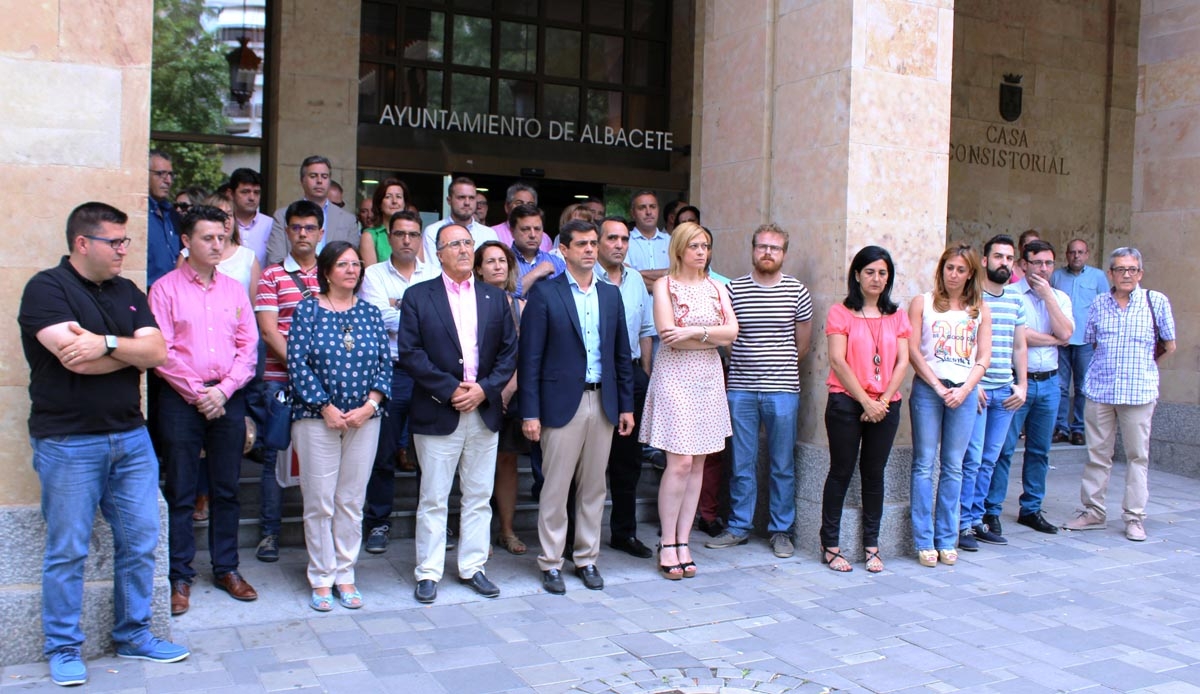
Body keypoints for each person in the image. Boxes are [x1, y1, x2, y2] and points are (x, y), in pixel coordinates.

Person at [19, 202, 188, 686]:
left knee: (140, 541)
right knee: (68, 549)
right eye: (114, 242)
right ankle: (63, 647)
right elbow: (76, 359)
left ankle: (134, 634)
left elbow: (157, 352)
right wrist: (126, 351)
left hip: (131, 437)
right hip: (68, 441)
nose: (122, 250)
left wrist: (107, 343)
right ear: (82, 243)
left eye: (124, 241)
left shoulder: (128, 291)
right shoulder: (46, 289)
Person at [399, 224, 518, 605]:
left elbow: (509, 353)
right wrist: (450, 389)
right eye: (455, 244)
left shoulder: (494, 298)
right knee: (434, 497)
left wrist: (485, 389)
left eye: (468, 243)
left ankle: (473, 567)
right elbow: (411, 353)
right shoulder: (418, 296)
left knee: (479, 495)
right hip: (438, 409)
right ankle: (428, 571)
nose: (465, 249)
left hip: (483, 409)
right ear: (439, 254)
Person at [149, 205, 259, 616]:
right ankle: (179, 576)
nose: (216, 245)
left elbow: (248, 348)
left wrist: (224, 391)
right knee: (180, 491)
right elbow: (161, 351)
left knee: (226, 489)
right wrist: (199, 393)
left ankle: (226, 568)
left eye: (222, 238)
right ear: (186, 241)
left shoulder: (234, 290)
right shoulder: (165, 289)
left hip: (228, 397)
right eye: (207, 238)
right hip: (181, 399)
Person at [520, 219, 635, 594]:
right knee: (555, 487)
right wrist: (530, 412)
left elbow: (621, 355)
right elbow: (530, 359)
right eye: (581, 244)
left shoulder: (610, 294)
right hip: (559, 404)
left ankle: (586, 558)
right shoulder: (545, 293)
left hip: (603, 401)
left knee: (594, 488)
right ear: (564, 250)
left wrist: (626, 406)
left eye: (593, 243)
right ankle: (551, 562)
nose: (589, 249)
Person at [287, 241, 390, 611]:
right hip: (317, 419)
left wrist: (370, 405)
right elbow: (297, 363)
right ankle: (321, 576)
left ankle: (345, 573)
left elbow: (385, 363)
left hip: (365, 419)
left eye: (356, 264)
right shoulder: (308, 309)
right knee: (319, 502)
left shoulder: (370, 313)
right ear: (327, 271)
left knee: (351, 500)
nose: (352, 270)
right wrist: (324, 406)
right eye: (343, 264)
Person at [706, 224, 813, 559]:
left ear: (784, 254)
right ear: (753, 249)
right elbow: (727, 339)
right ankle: (739, 526)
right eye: (762, 246)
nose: (768, 252)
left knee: (782, 464)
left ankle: (781, 531)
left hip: (783, 390)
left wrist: (775, 367)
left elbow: (803, 345)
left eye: (775, 248)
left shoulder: (797, 291)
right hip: (741, 389)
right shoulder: (733, 290)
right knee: (741, 462)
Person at [641, 222, 738, 579]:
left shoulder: (717, 287)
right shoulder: (664, 285)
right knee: (680, 462)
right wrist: (710, 335)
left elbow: (732, 333)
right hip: (675, 377)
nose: (701, 252)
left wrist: (696, 331)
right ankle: (667, 541)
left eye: (705, 246)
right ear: (679, 249)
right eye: (694, 246)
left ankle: (684, 541)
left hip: (708, 378)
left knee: (698, 463)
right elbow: (669, 336)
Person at [1064, 248, 1175, 541]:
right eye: (1120, 269)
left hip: (1139, 393)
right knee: (1097, 455)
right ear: (1110, 274)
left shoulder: (1156, 302)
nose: (1127, 274)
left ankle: (1134, 517)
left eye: (1132, 269)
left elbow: (1169, 345)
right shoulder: (1099, 303)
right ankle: (1093, 511)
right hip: (1101, 391)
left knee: (1137, 456)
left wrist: (1144, 367)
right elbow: (1092, 342)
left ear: (1140, 273)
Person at [818, 246, 910, 572]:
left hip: (886, 405)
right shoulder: (840, 313)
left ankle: (872, 545)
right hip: (846, 401)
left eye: (883, 273)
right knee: (840, 472)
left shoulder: (897, 316)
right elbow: (837, 360)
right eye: (869, 272)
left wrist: (882, 401)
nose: (876, 278)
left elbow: (903, 362)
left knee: (874, 475)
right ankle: (830, 544)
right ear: (857, 275)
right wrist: (866, 401)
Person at [359, 210, 437, 554]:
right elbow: (377, 318)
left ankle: (432, 523)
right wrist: (418, 314)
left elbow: (441, 320)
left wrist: (400, 307)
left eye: (413, 234)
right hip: (389, 371)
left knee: (430, 454)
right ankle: (378, 522)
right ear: (388, 237)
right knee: (383, 452)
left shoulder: (434, 273)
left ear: (420, 239)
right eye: (400, 234)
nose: (407, 240)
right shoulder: (373, 274)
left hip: (428, 374)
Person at [908, 243, 990, 568]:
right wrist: (938, 387)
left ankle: (946, 538)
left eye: (961, 269)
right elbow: (913, 351)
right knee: (924, 464)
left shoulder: (979, 309)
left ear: (970, 274)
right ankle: (923, 539)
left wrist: (966, 388)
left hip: (964, 393)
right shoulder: (923, 303)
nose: (953, 274)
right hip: (929, 391)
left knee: (954, 466)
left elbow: (984, 356)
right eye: (949, 268)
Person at [253, 200, 325, 562]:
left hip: (326, 386)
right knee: (275, 458)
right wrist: (303, 371)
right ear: (286, 231)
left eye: (309, 228)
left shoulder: (333, 273)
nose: (302, 234)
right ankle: (269, 534)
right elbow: (269, 331)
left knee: (323, 461)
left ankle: (322, 538)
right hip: (280, 381)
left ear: (321, 233)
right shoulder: (272, 276)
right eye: (296, 227)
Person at [987, 240, 1074, 535]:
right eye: (1037, 263)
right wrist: (1055, 339)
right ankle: (991, 510)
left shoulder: (1059, 297)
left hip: (1049, 383)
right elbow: (1020, 336)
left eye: (1049, 263)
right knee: (1003, 449)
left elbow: (1067, 332)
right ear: (1023, 265)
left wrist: (1047, 297)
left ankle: (1031, 509)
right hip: (1015, 382)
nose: (1044, 268)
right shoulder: (1009, 294)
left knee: (1040, 451)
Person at [959, 234, 1028, 551]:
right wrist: (971, 384)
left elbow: (1019, 345)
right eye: (998, 257)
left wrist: (1022, 385)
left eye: (1009, 258)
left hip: (1005, 392)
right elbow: (964, 345)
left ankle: (977, 520)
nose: (1004, 263)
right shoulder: (972, 298)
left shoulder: (1016, 299)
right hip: (978, 391)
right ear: (985, 261)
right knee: (971, 460)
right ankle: (961, 524)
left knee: (990, 460)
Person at [595, 217, 657, 559]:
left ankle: (624, 533)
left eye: (624, 239)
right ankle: (578, 538)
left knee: (628, 461)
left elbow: (646, 330)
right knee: (588, 463)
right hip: (593, 377)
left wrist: (643, 374)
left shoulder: (635, 280)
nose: (619, 245)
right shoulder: (586, 278)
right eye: (612, 238)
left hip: (630, 376)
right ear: (597, 242)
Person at [473, 240, 528, 554]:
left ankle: (506, 531)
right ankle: (476, 534)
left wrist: (506, 392)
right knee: (475, 464)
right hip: (476, 393)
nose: (497, 266)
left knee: (507, 461)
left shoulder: (521, 306)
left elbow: (527, 355)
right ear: (478, 269)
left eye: (502, 261)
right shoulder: (467, 302)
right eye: (490, 261)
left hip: (512, 392)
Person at [1051, 238, 1107, 445]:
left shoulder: (1098, 277)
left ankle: (1079, 429)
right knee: (1060, 386)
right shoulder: (1056, 276)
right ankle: (1061, 428)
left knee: (1083, 386)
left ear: (1087, 254)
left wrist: (1100, 338)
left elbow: (1105, 307)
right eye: (1072, 252)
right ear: (1066, 254)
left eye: (1080, 252)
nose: (1076, 256)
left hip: (1086, 341)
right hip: (1061, 341)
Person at [265, 155, 359, 265]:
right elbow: (276, 259)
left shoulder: (348, 220)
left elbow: (351, 262)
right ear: (302, 180)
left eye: (324, 176)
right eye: (313, 176)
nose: (319, 181)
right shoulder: (282, 216)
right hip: (291, 275)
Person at [421, 177, 498, 267]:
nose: (467, 203)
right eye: (461, 197)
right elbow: (433, 269)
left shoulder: (489, 234)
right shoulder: (432, 232)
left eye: (471, 198)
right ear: (449, 200)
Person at [511, 204, 565, 298]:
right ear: (512, 231)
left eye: (537, 229)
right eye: (525, 229)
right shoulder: (503, 262)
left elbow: (568, 296)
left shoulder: (557, 262)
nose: (532, 235)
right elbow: (502, 296)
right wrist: (536, 273)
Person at [147, 149, 181, 288]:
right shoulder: (140, 214)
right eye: (161, 174)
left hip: (175, 292)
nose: (168, 180)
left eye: (170, 175)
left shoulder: (173, 215)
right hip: (147, 290)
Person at [625, 191, 670, 293]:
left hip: (669, 303)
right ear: (633, 213)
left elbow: (679, 274)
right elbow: (626, 276)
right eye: (642, 207)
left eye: (652, 207)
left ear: (658, 210)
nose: (648, 212)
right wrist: (666, 273)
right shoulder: (624, 241)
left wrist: (636, 274)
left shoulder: (672, 241)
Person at [359, 178, 411, 267]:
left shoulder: (414, 234)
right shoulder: (369, 236)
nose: (394, 201)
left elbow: (421, 270)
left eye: (398, 196)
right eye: (388, 197)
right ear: (379, 204)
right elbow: (371, 273)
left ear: (404, 203)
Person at [229, 168, 273, 267]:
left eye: (256, 192)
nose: (252, 198)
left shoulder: (271, 225)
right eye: (245, 192)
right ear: (231, 194)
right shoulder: (224, 224)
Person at [491, 182, 551, 252]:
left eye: (530, 204)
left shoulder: (545, 239)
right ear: (507, 207)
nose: (524, 207)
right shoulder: (493, 233)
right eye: (519, 203)